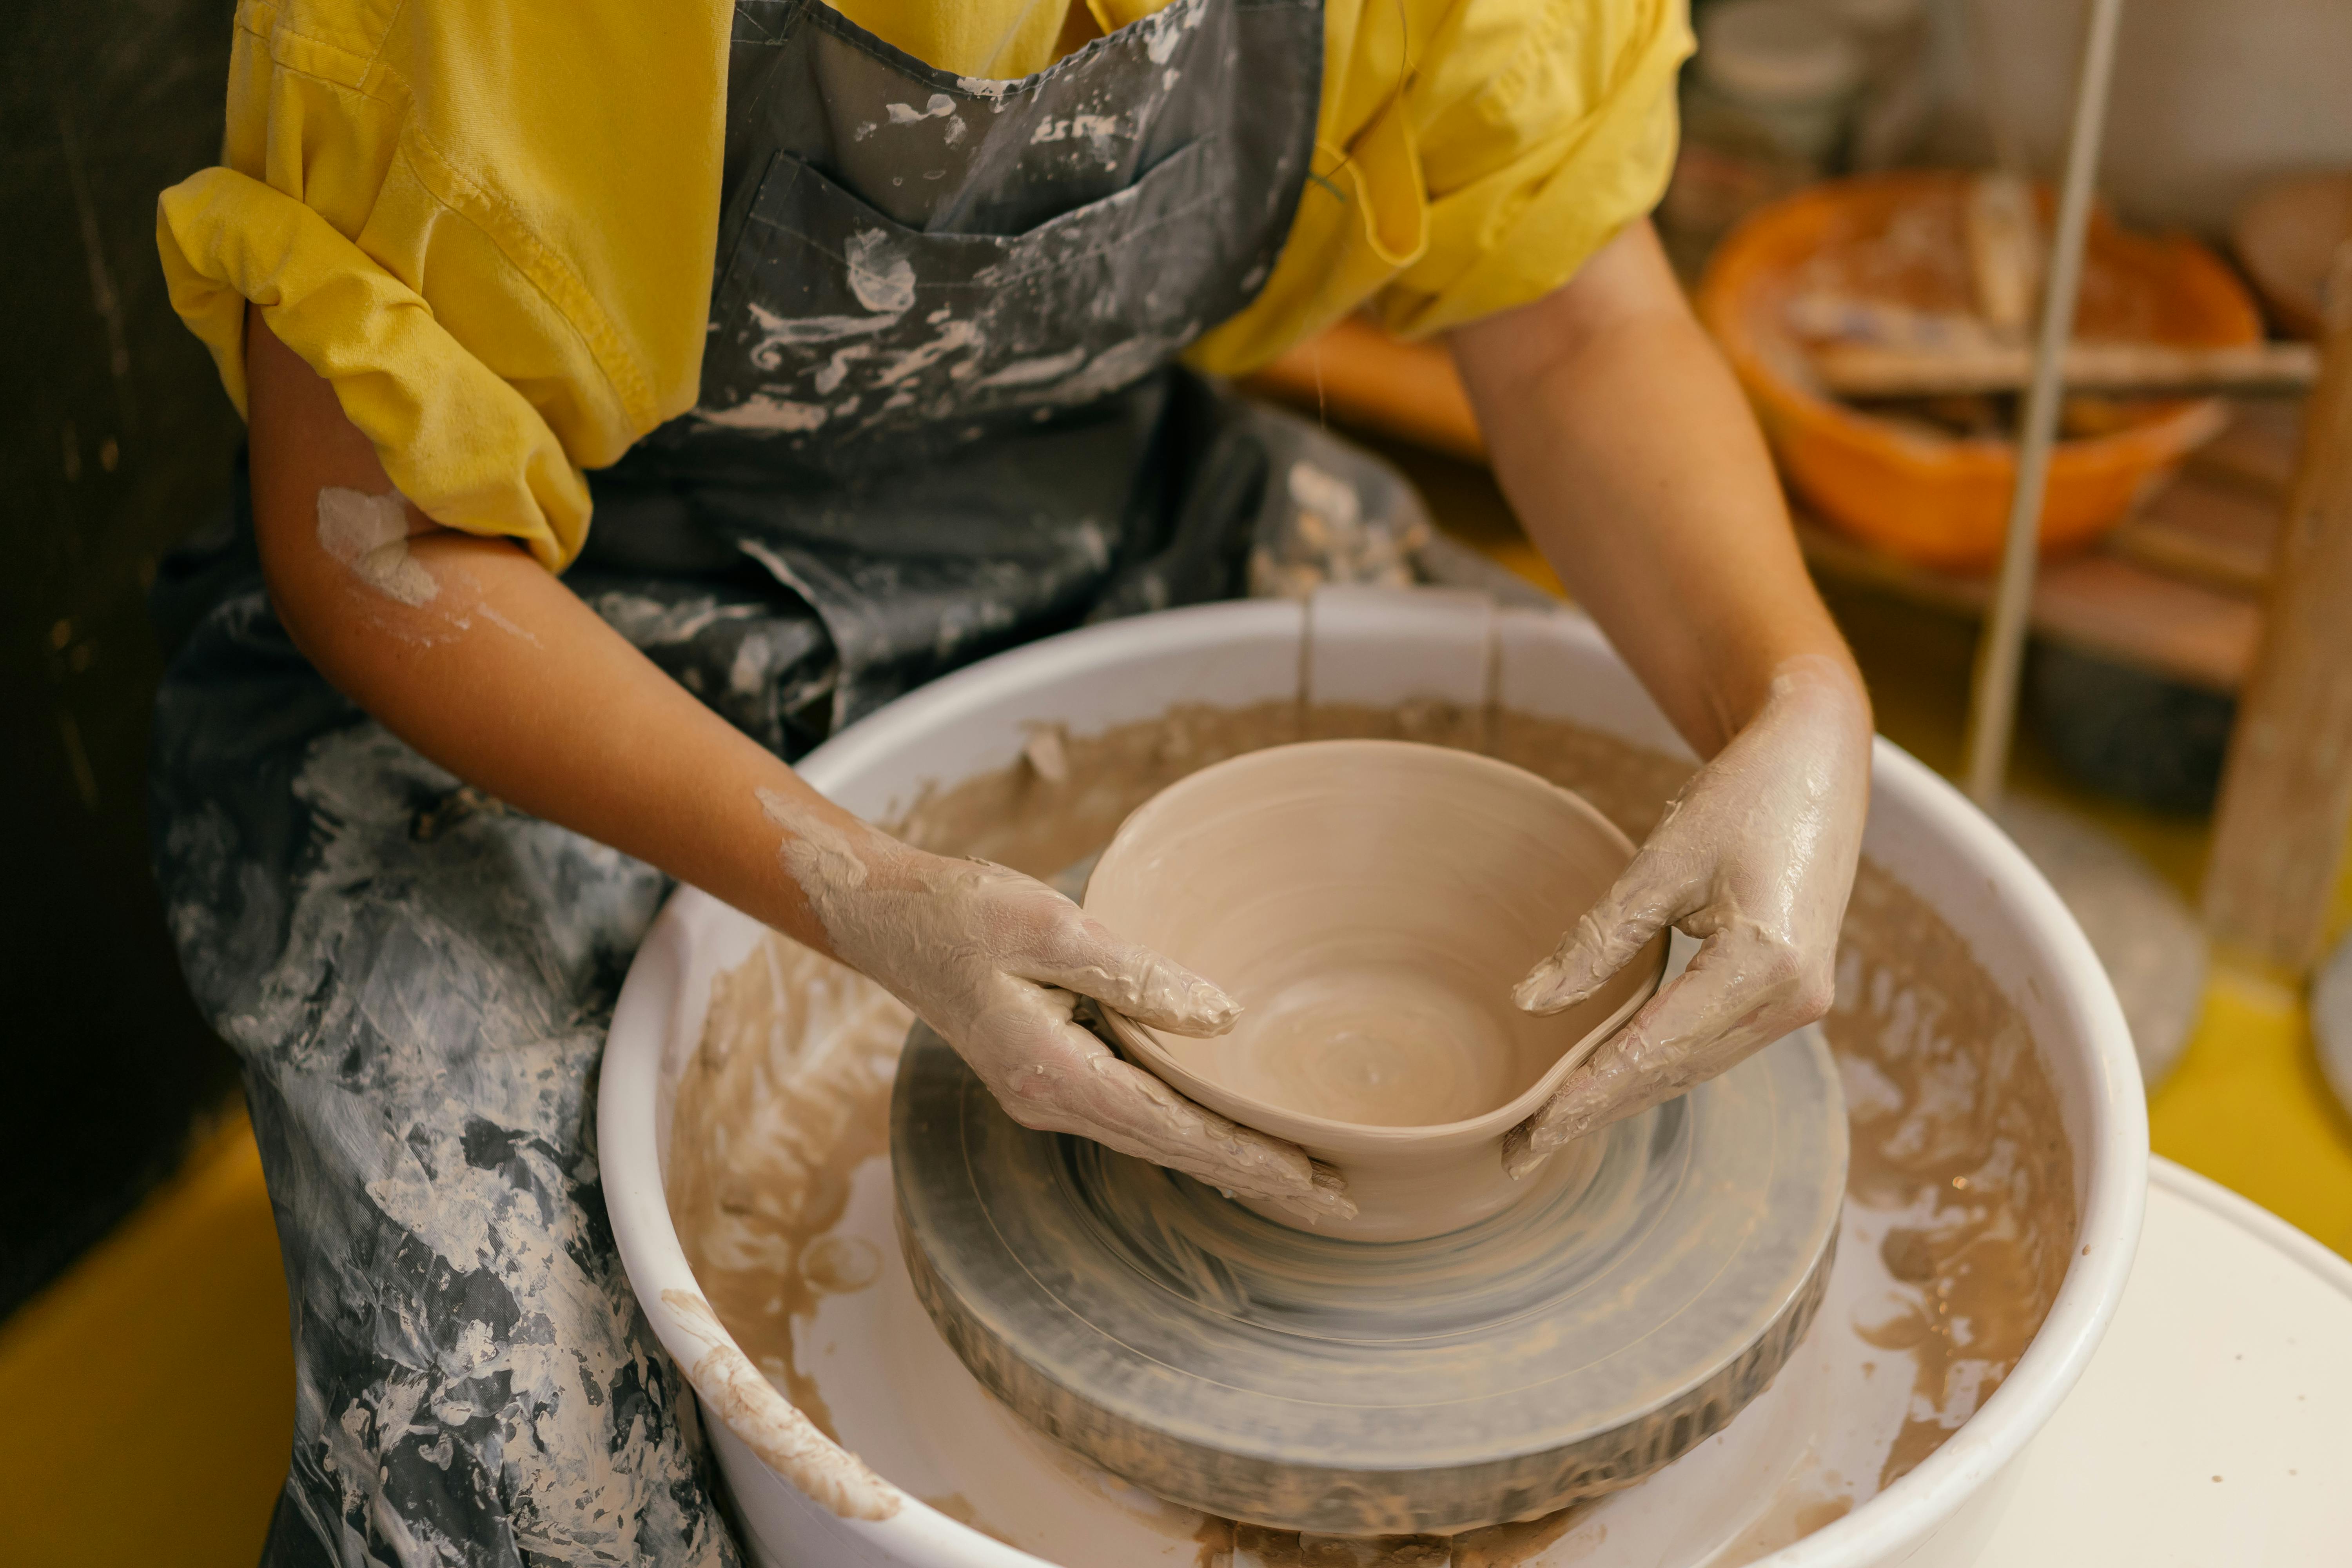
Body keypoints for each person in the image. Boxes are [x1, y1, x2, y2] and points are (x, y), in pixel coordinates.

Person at [151, 0, 1871, 1560]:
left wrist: (1797, 698)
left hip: (1091, 521)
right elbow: (379, 531)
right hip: (549, 640)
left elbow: (1577, 326)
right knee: (529, 1465)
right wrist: (859, 887)